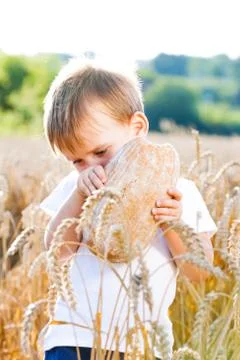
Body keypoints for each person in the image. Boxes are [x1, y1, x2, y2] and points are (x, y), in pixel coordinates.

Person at [38, 57, 217, 360]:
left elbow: (199, 271)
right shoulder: (77, 186)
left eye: (100, 152)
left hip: (142, 345)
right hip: (73, 337)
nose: (91, 167)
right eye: (77, 160)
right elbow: (57, 251)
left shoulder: (179, 192)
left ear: (137, 127)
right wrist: (80, 197)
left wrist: (172, 224)